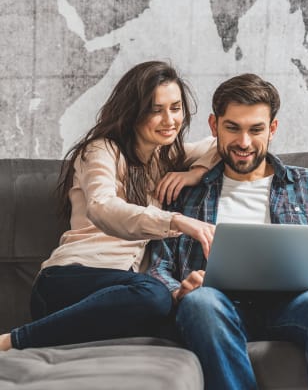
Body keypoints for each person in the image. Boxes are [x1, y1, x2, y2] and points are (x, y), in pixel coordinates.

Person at [149, 73, 308, 390]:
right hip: (219, 308)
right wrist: (179, 290)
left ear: (272, 129)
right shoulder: (185, 194)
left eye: (255, 129)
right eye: (233, 128)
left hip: (298, 305)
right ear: (214, 125)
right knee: (200, 303)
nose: (243, 142)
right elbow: (157, 266)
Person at [0, 60, 216, 351]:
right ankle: (13, 341)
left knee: (178, 312)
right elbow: (103, 208)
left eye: (175, 108)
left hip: (119, 296)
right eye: (155, 109)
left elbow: (221, 145)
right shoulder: (102, 150)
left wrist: (194, 173)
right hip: (66, 281)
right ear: (133, 112)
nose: (169, 120)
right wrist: (175, 221)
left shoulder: (167, 159)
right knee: (154, 294)